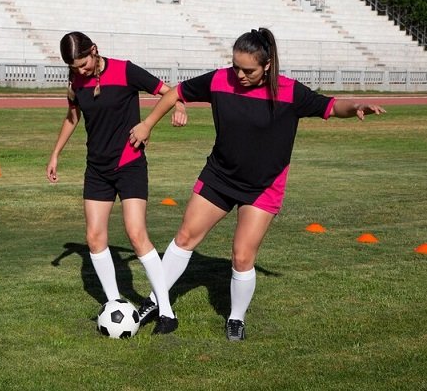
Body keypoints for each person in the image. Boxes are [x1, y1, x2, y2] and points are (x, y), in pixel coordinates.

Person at [129, 28, 385, 341]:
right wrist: (147, 124)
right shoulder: (219, 80)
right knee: (185, 237)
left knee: (242, 256)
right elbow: (176, 92)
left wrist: (355, 105)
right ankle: (157, 300)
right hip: (220, 176)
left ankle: (236, 318)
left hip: (263, 186)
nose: (239, 74)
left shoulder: (290, 92)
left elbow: (330, 106)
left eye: (247, 69)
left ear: (267, 65)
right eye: (235, 66)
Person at [46, 31, 187, 334]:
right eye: (73, 67)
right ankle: (114, 303)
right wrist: (55, 153)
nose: (80, 71)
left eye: (83, 64)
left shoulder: (125, 70)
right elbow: (72, 117)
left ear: (94, 51)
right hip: (97, 168)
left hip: (129, 164)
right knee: (95, 238)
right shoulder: (75, 83)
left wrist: (176, 108)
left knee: (136, 235)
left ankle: (166, 310)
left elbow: (169, 91)